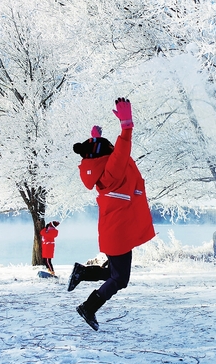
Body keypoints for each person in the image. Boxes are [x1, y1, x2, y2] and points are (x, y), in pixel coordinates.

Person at [67, 98, 156, 331]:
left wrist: (94, 139)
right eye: (109, 149)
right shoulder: (113, 171)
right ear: (107, 154)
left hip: (115, 231)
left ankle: (82, 273)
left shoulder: (104, 172)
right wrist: (126, 128)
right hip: (117, 233)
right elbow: (122, 151)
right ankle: (89, 306)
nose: (114, 151)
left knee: (116, 274)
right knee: (119, 279)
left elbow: (103, 155)